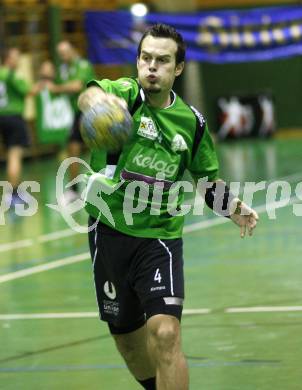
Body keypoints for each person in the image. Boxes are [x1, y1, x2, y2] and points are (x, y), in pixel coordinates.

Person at [78, 24, 259, 390]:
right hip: (108, 233)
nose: (151, 68)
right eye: (145, 58)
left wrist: (230, 205)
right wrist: (97, 104)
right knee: (129, 344)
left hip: (158, 239)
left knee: (165, 333)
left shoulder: (191, 124)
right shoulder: (123, 95)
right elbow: (91, 94)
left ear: (177, 69)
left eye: (162, 61)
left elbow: (206, 180)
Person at [46, 41, 95, 203]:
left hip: (93, 111)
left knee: (102, 149)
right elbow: (54, 90)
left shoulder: (82, 65)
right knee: (72, 148)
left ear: (72, 50)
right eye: (60, 54)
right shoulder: (63, 70)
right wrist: (47, 78)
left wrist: (57, 88)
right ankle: (75, 190)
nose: (63, 56)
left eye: (65, 52)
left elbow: (77, 86)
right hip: (77, 113)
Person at [0, 48, 31, 206]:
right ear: (8, 59)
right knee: (14, 155)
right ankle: (12, 194)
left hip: (2, 117)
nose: (18, 61)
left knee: (10, 155)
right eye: (16, 58)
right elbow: (27, 91)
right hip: (13, 117)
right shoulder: (11, 75)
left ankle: (16, 191)